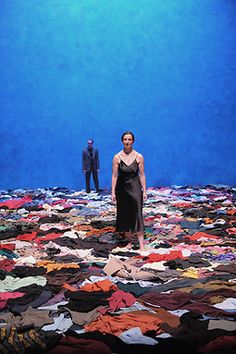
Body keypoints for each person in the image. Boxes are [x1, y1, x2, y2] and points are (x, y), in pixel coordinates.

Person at [111, 131, 147, 250]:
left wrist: (145, 191)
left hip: (135, 187)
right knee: (124, 214)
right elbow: (114, 175)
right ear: (122, 141)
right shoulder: (117, 157)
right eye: (125, 139)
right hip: (122, 189)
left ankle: (141, 244)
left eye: (129, 139)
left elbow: (142, 175)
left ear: (133, 141)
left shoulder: (139, 156)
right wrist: (113, 192)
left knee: (137, 213)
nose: (127, 141)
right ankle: (129, 241)